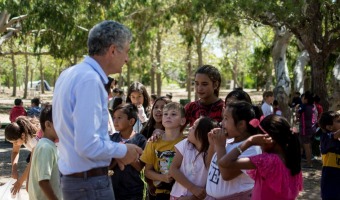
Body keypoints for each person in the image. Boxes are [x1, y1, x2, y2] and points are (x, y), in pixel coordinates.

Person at [52, 20, 142, 199]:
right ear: (113, 50)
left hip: (78, 182)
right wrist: (124, 151)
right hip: (89, 185)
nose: (127, 59)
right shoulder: (90, 80)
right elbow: (87, 144)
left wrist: (112, 154)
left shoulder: (70, 74)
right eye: (127, 51)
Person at [218, 114, 303, 200]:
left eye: (260, 141)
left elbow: (224, 163)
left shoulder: (269, 160)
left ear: (269, 139)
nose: (260, 146)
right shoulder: (292, 159)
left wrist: (249, 142)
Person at [206, 101, 262, 199]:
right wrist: (212, 145)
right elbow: (208, 165)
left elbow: (226, 175)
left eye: (226, 119)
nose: (221, 123)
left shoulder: (251, 149)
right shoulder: (227, 141)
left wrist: (220, 146)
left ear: (241, 124)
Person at [140, 102, 186, 200]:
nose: (168, 116)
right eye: (165, 114)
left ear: (182, 121)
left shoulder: (187, 143)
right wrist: (163, 178)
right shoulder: (153, 142)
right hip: (161, 194)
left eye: (173, 114)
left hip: (183, 193)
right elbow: (147, 171)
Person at [169, 117, 217, 199]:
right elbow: (173, 169)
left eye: (194, 127)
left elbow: (211, 175)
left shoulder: (213, 152)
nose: (190, 128)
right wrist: (192, 188)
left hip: (201, 197)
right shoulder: (185, 144)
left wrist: (194, 197)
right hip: (178, 196)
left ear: (202, 134)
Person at [110, 104, 147, 200]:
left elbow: (139, 167)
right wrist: (120, 153)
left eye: (119, 118)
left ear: (131, 121)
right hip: (114, 188)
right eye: (114, 118)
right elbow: (108, 166)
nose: (115, 121)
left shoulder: (140, 140)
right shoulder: (112, 138)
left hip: (133, 189)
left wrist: (124, 153)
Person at [28, 105, 61, 200]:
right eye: (61, 123)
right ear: (48, 125)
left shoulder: (48, 146)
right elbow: (43, 181)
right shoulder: (45, 147)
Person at [4, 116, 40, 195]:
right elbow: (15, 152)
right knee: (29, 189)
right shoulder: (20, 134)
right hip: (37, 158)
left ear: (23, 136)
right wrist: (14, 169)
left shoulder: (34, 140)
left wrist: (20, 182)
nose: (15, 144)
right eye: (12, 143)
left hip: (47, 157)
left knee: (33, 188)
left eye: (15, 142)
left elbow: (32, 163)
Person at [318, 111, 340, 200]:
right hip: (330, 184)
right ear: (329, 127)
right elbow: (334, 136)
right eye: (338, 121)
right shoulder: (325, 139)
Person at [297, 91, 317, 168]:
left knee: (306, 147)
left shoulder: (304, 107)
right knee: (308, 146)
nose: (302, 99)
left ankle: (309, 163)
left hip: (306, 130)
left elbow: (298, 114)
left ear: (306, 99)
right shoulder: (313, 106)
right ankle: (309, 161)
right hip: (313, 129)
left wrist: (296, 109)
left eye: (303, 97)